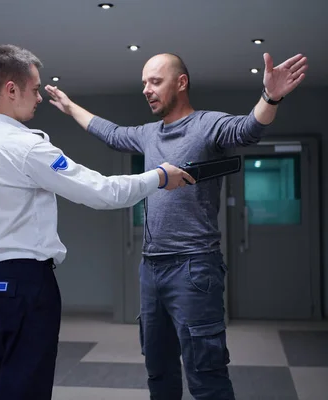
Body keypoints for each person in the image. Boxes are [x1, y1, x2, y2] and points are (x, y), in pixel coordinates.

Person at [45, 51, 308, 399]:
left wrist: (270, 96)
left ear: (181, 83)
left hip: (194, 267)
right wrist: (70, 106)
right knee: (159, 372)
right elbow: (111, 133)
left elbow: (249, 129)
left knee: (206, 377)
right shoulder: (148, 134)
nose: (147, 90)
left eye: (155, 81)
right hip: (151, 269)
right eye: (144, 84)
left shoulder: (207, 125)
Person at [0, 44, 195, 400]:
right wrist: (158, 176)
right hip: (26, 283)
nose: (38, 98)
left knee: (1, 378)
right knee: (26, 387)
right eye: (35, 90)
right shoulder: (27, 148)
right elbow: (102, 191)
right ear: (11, 89)